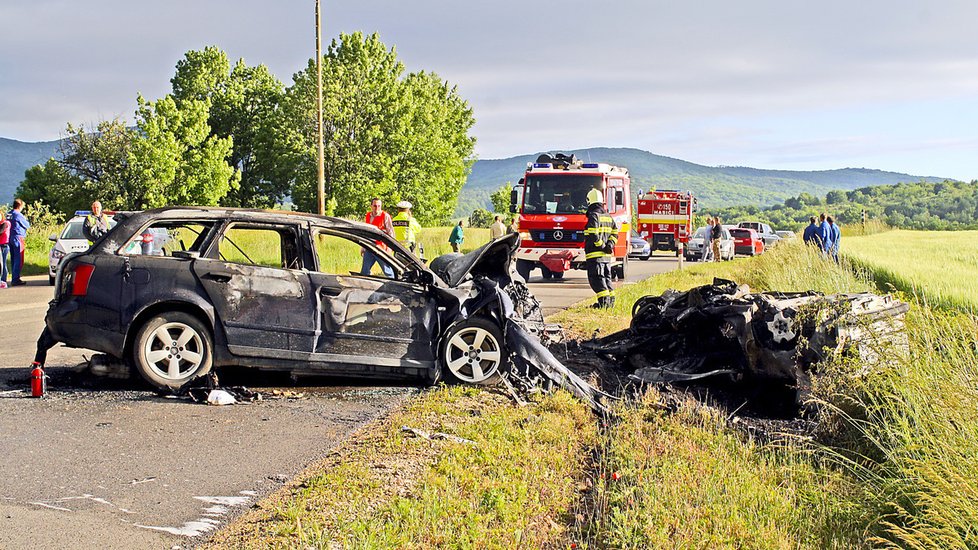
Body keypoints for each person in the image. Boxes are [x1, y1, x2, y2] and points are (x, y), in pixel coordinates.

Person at [584, 187, 618, 308]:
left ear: (589, 201)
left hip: (595, 256)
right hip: (606, 257)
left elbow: (593, 233)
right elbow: (615, 232)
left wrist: (602, 246)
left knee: (597, 280)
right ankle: (611, 303)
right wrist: (610, 245)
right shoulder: (608, 216)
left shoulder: (594, 215)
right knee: (607, 279)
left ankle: (603, 305)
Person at [361, 197, 395, 278]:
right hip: (369, 246)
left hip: (381, 248)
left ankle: (395, 285)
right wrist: (363, 247)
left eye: (379, 206)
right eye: (375, 206)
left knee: (387, 271)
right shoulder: (368, 215)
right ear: (371, 206)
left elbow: (391, 233)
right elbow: (366, 232)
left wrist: (389, 249)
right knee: (365, 271)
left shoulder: (385, 216)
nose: (377, 208)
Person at [7, 199, 30, 286]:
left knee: (13, 258)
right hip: (18, 237)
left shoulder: (9, 214)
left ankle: (14, 276)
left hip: (10, 237)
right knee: (19, 259)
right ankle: (15, 278)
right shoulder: (18, 215)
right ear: (20, 206)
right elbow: (27, 225)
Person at [0, 210, 10, 288]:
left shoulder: (5, 223)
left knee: (2, 263)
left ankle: (3, 279)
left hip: (3, 245)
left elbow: (1, 231)